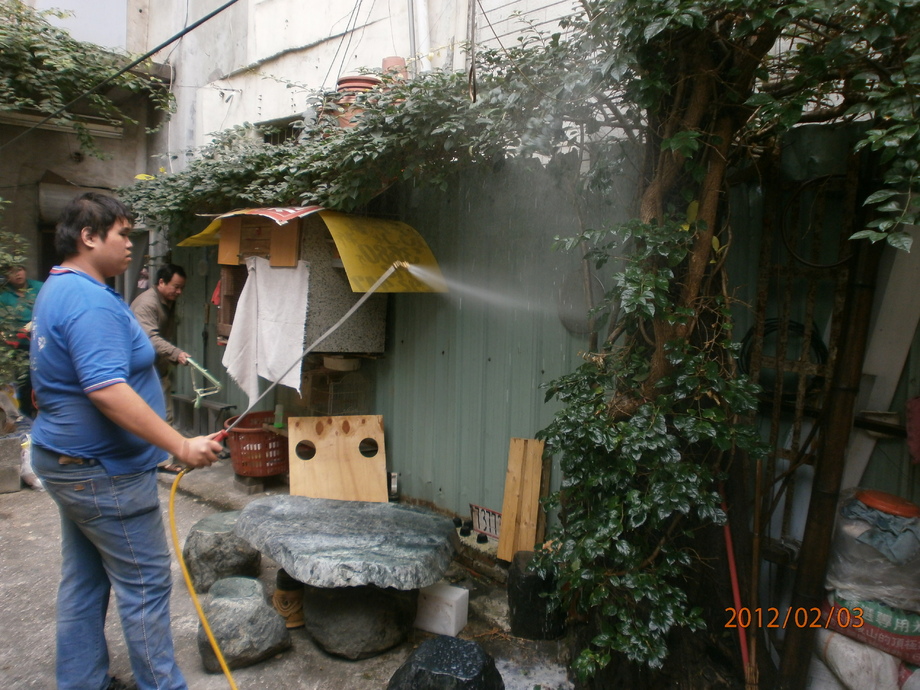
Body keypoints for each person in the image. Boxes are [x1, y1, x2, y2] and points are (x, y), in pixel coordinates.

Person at [29, 192, 223, 690]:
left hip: (68, 463)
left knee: (86, 579)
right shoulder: (90, 300)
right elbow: (107, 390)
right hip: (102, 472)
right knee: (146, 583)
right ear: (88, 237)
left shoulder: (60, 287)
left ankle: (82, 680)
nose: (130, 244)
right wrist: (180, 446)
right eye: (121, 233)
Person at [130, 263, 189, 474]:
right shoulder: (146, 304)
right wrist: (176, 353)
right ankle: (155, 460)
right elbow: (150, 338)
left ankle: (162, 459)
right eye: (176, 286)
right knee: (149, 414)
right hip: (141, 369)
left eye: (181, 287)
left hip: (157, 366)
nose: (179, 292)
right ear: (161, 282)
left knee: (164, 412)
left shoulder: (167, 300)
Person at [0, 264, 43, 416]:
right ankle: (25, 413)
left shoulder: (40, 288)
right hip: (19, 344)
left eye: (19, 270)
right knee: (24, 382)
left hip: (42, 342)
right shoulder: (3, 295)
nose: (17, 274)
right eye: (11, 272)